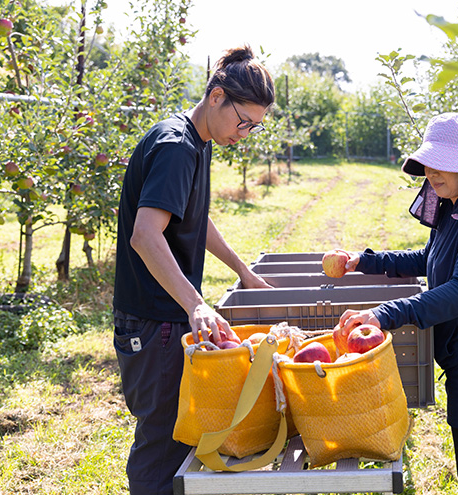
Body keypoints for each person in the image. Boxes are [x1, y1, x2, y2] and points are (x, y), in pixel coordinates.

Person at [337, 113, 458, 495]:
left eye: (444, 164)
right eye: (429, 162)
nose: (432, 172)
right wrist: (367, 261)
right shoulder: (457, 208)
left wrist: (384, 314)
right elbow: (429, 258)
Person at [112, 45, 274, 495]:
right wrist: (196, 303)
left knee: (178, 434)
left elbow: (193, 217)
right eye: (244, 122)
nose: (245, 133)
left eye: (255, 127)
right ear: (217, 96)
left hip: (164, 316)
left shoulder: (196, 142)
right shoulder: (176, 147)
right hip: (154, 318)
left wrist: (243, 269)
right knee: (162, 440)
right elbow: (145, 236)